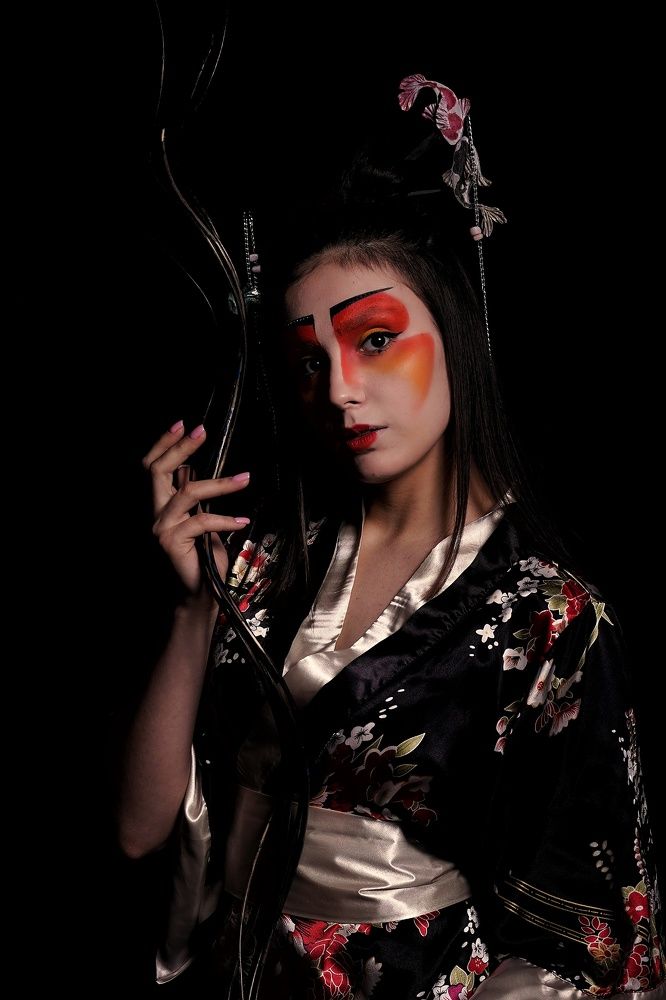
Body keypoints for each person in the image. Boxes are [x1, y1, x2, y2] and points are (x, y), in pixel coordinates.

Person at [117, 74, 665, 999]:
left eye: (374, 339)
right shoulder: (261, 562)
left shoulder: (548, 616)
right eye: (308, 361)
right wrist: (190, 608)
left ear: (453, 333)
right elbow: (140, 833)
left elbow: (593, 934)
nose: (339, 390)